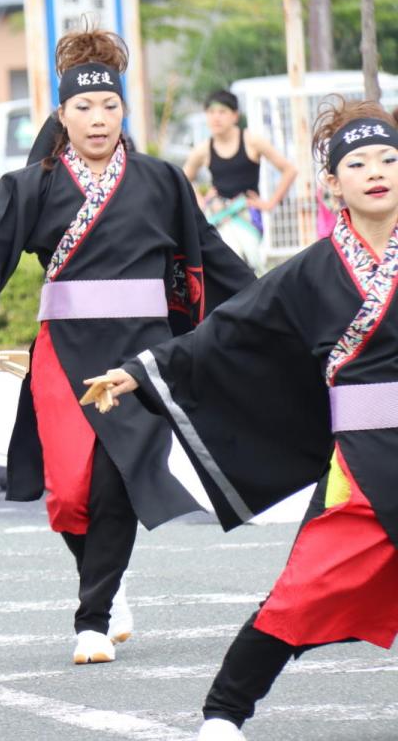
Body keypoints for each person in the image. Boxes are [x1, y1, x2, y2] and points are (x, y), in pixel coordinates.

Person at [0, 29, 254, 666]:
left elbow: (210, 256)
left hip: (142, 354)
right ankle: (109, 576)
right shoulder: (30, 186)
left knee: (115, 482)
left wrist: (270, 309)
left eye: (109, 106)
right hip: (64, 351)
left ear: (124, 111)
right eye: (84, 108)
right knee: (69, 494)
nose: (98, 119)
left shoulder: (161, 181)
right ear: (62, 115)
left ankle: (92, 618)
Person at [90, 99, 398, 741]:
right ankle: (225, 712)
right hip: (362, 464)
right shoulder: (311, 271)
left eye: (389, 160)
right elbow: (229, 330)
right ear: (332, 183)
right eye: (359, 163)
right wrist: (141, 371)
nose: (376, 172)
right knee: (301, 593)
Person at [183, 89, 298, 275]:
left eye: (222, 112)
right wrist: (201, 200)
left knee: (249, 263)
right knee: (223, 264)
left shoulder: (252, 141)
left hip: (247, 214)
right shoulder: (203, 149)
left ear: (235, 115)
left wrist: (269, 203)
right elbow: (183, 178)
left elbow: (289, 170)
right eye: (211, 112)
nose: (216, 117)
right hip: (218, 216)